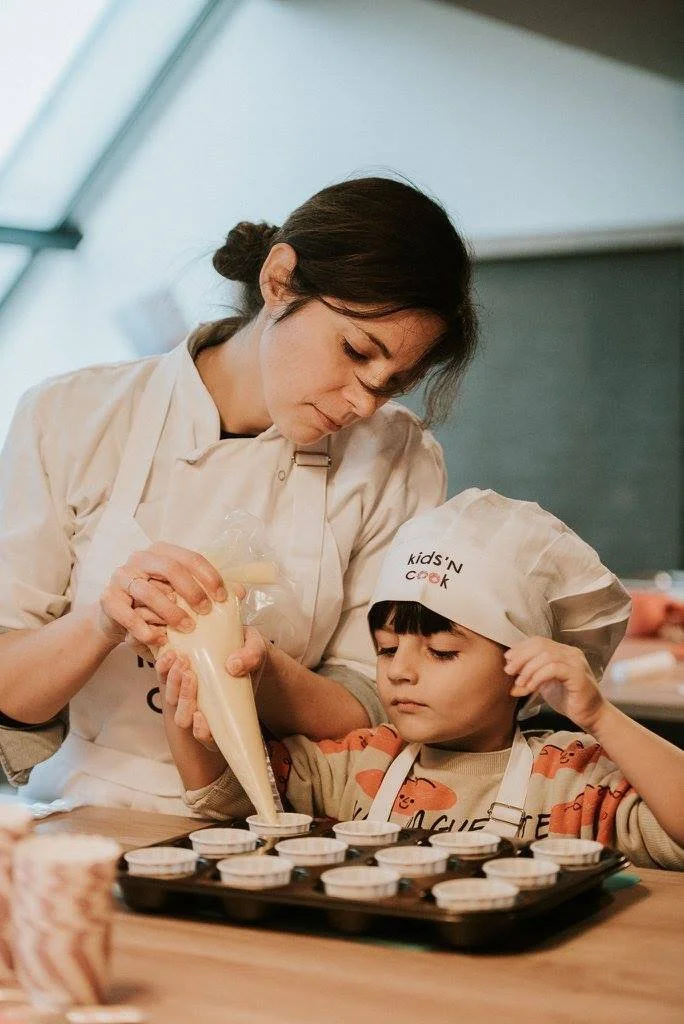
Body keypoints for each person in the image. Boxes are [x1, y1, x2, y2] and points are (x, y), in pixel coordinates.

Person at [0, 176, 478, 814]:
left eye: (394, 383)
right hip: (83, 813)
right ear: (280, 280)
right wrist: (103, 622)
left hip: (283, 817)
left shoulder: (397, 457)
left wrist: (258, 670)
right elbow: (10, 687)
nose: (365, 400)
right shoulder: (71, 413)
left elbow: (375, 704)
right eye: (356, 351)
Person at [172, 489, 684, 869]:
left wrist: (599, 717)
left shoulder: (575, 780)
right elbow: (226, 795)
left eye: (440, 652)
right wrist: (189, 676)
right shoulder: (356, 763)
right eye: (388, 649)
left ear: (522, 672)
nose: (400, 670)